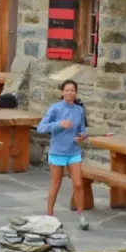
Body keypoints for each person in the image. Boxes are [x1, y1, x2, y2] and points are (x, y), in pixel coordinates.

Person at [37, 79, 89, 229]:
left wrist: (82, 136)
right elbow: (41, 128)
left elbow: (83, 130)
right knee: (56, 183)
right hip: (57, 152)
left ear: (76, 93)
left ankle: (81, 214)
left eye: (72, 90)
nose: (69, 93)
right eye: (67, 90)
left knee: (78, 184)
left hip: (73, 151)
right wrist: (59, 124)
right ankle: (49, 215)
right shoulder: (55, 108)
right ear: (62, 92)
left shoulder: (79, 110)